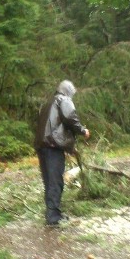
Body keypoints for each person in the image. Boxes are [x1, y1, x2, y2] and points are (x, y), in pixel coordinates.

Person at [34, 80, 90, 226]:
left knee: (48, 181)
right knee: (55, 181)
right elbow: (70, 117)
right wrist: (82, 130)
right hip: (53, 145)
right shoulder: (63, 100)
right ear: (68, 91)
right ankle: (53, 216)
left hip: (42, 145)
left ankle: (51, 212)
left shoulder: (47, 103)